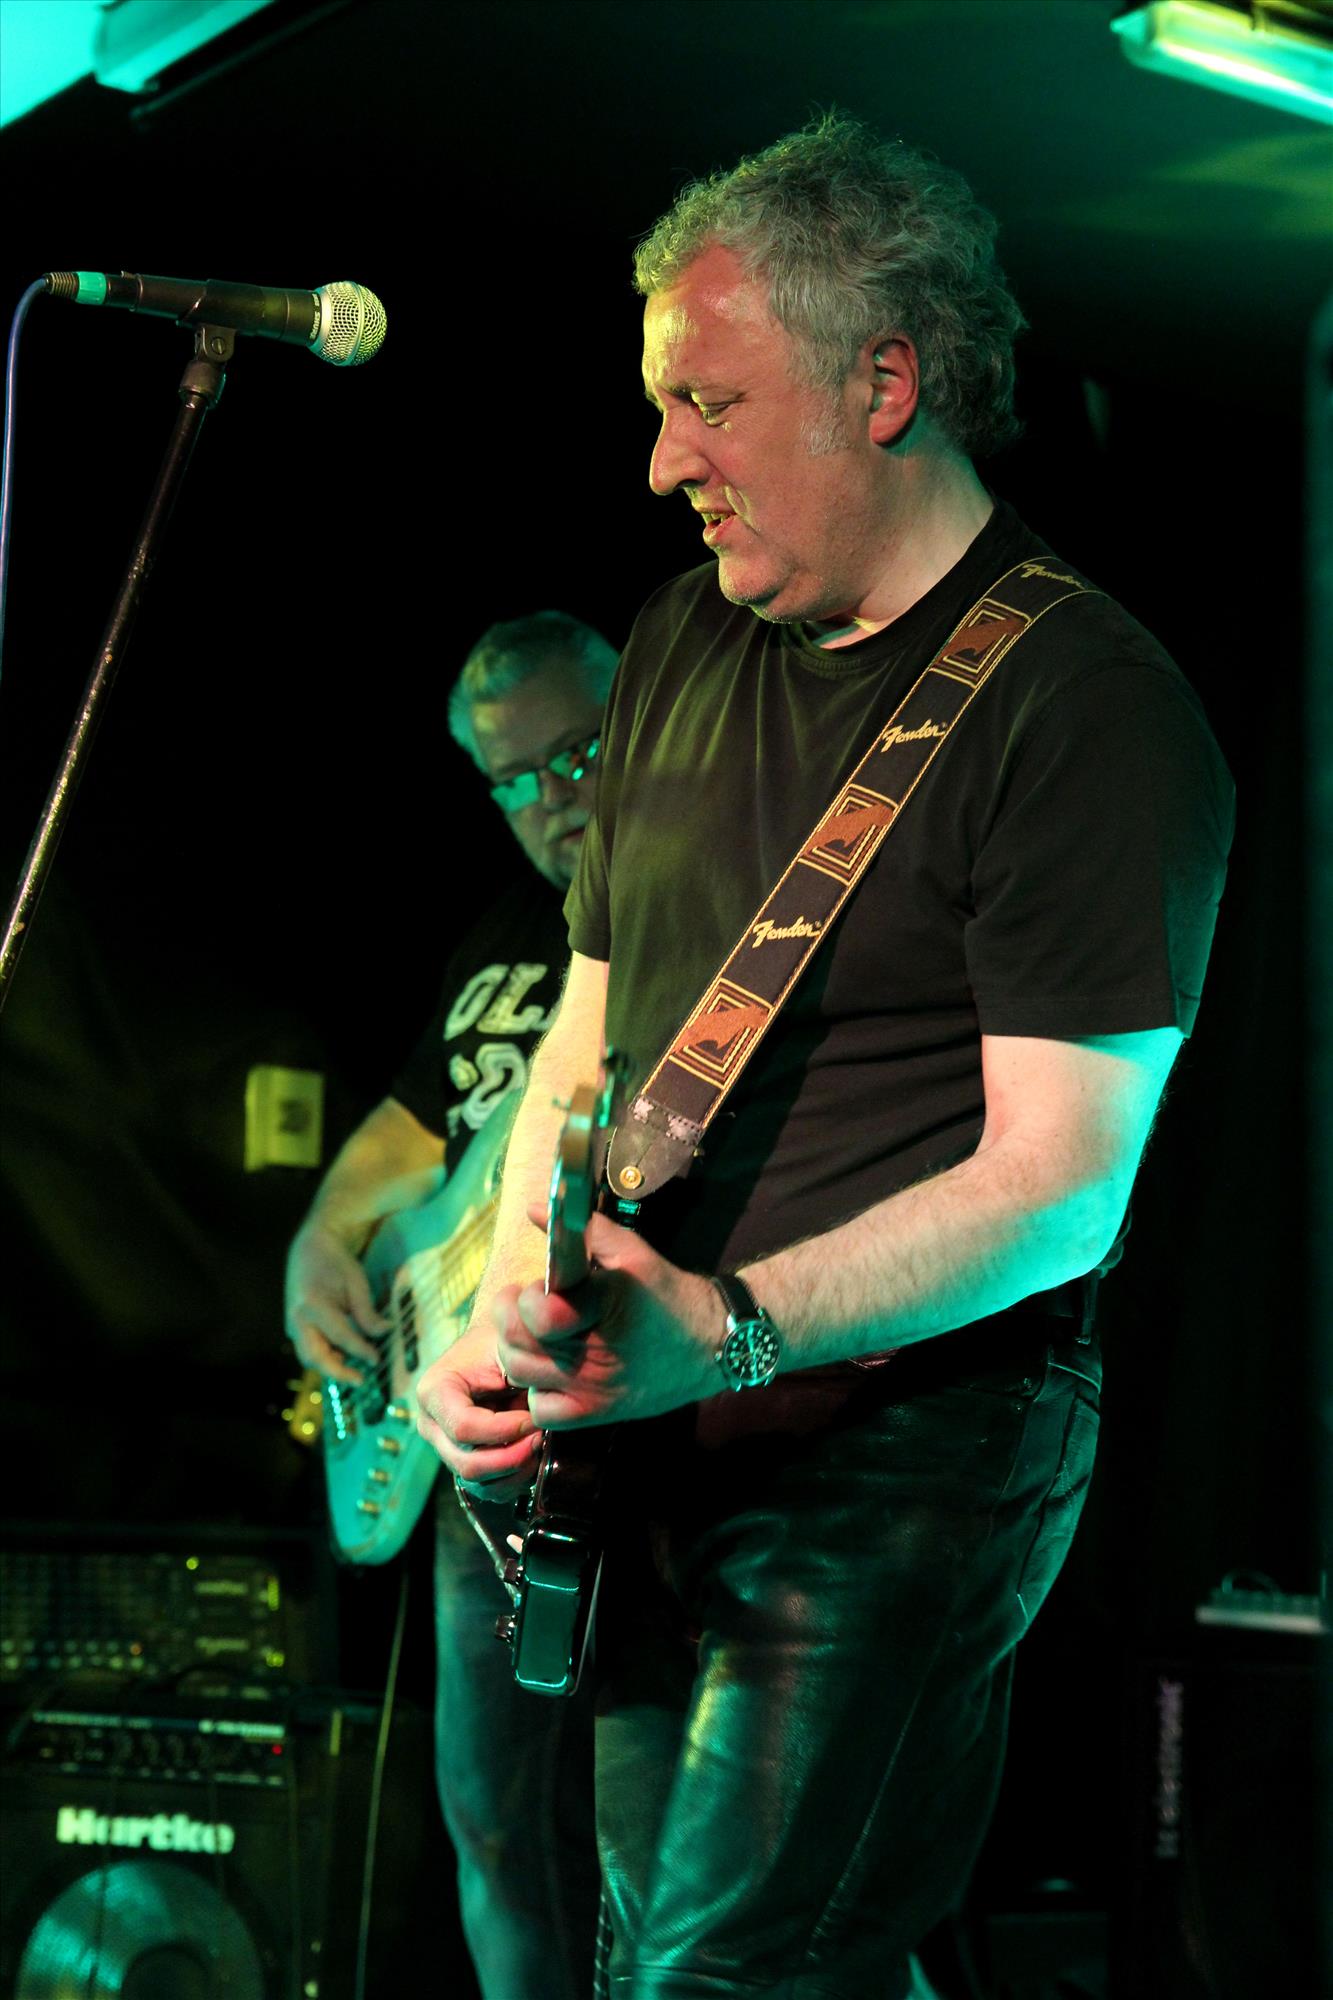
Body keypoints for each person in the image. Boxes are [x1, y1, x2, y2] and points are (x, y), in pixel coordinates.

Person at [417, 115, 1235, 2000]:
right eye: (659, 405)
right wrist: (500, 1308)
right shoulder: (677, 639)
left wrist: (729, 1328)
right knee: (669, 1959)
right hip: (643, 1432)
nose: (661, 461)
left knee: (718, 1977)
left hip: (905, 1454)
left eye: (706, 403)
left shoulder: (1086, 704)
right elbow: (588, 1041)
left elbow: (1063, 1187)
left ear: (883, 382)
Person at [284, 610, 617, 2000]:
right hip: (468, 1431)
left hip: (613, 1407)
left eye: (578, 755)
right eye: (512, 780)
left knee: (649, 1826)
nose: (550, 801)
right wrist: (320, 1241)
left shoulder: (685, 908)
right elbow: (408, 1138)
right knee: (486, 1817)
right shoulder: (499, 935)